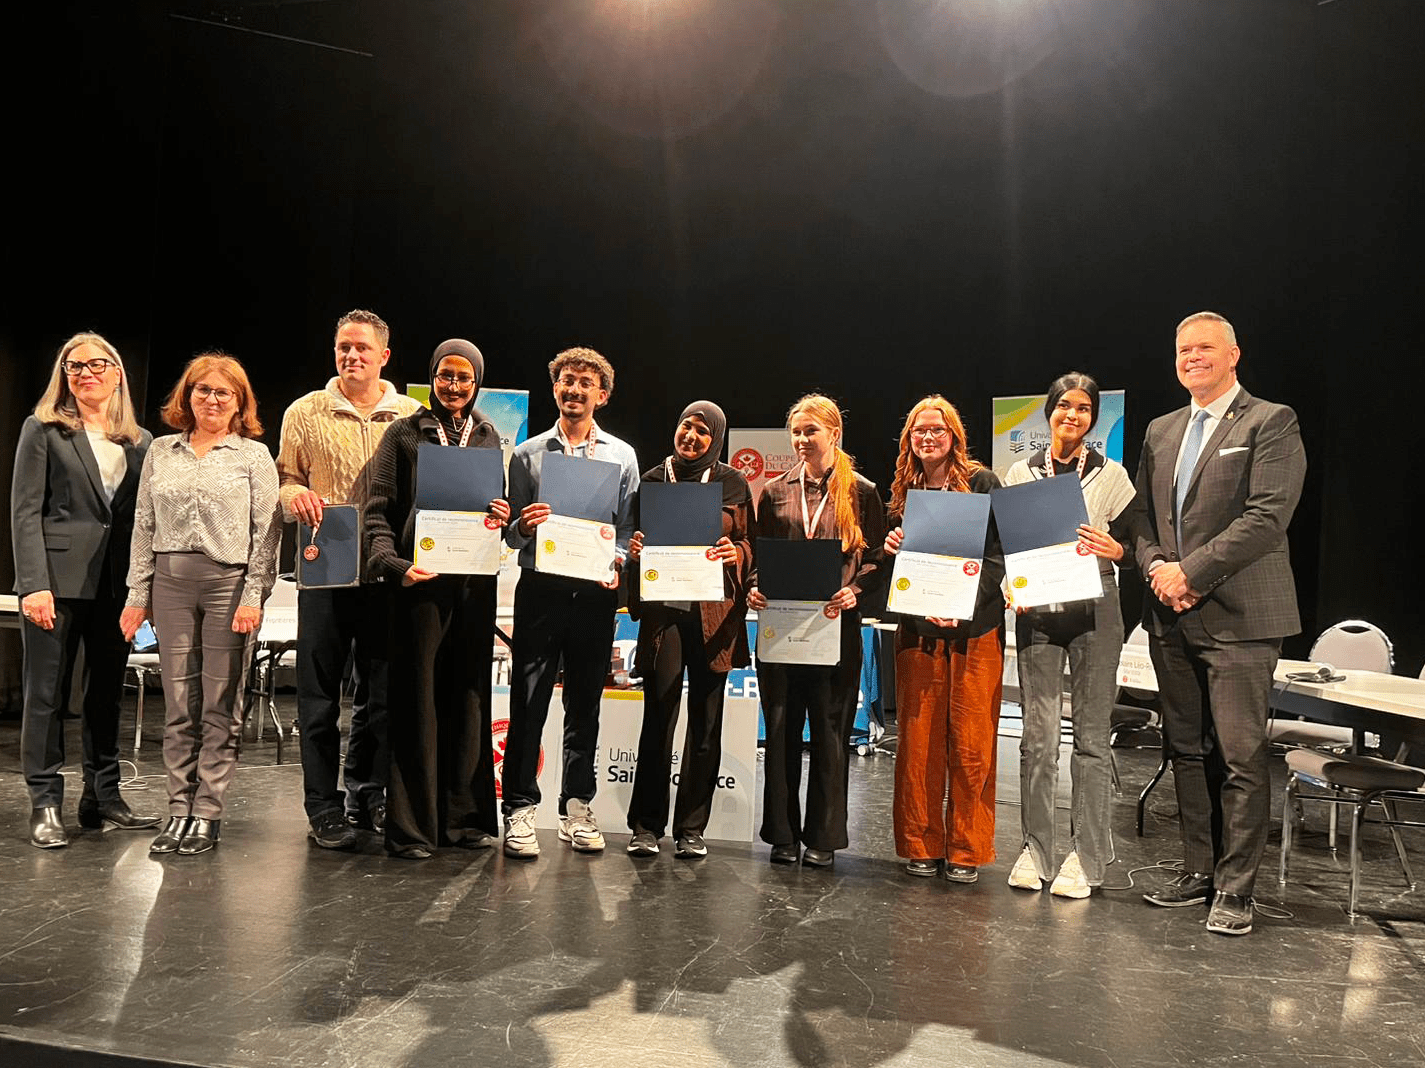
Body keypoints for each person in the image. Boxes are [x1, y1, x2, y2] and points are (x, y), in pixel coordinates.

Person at [1134, 311, 1306, 936]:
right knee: (1185, 749)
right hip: (1170, 618)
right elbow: (1142, 518)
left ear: (1234, 354)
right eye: (1183, 349)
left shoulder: (1270, 421)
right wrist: (1157, 567)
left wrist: (1191, 572)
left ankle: (1236, 890)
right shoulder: (1161, 429)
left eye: (1205, 347)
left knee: (1239, 757)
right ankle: (1198, 870)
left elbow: (1266, 519)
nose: (1192, 357)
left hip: (1240, 619)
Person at [120, 353, 281, 856]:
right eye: (203, 390)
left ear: (240, 402)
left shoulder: (253, 456)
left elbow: (268, 533)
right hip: (169, 584)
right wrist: (137, 594)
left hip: (228, 587)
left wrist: (254, 595)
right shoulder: (162, 452)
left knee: (219, 702)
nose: (212, 399)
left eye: (223, 392)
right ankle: (177, 809)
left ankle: (207, 810)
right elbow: (143, 524)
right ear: (187, 396)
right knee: (178, 704)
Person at [276, 309, 423, 850]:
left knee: (381, 698)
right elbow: (284, 479)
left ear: (384, 355)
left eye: (362, 348)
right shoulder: (305, 412)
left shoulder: (411, 415)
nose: (351, 356)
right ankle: (322, 805)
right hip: (326, 567)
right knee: (317, 699)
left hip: (387, 573)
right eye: (342, 347)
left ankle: (369, 791)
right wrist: (296, 497)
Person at [11, 332, 160, 848]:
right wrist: (33, 584)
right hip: (55, 584)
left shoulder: (140, 441)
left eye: (98, 364)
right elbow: (25, 511)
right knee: (46, 696)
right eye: (75, 367)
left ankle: (102, 796)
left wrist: (144, 588)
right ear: (64, 376)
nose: (87, 373)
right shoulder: (44, 429)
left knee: (104, 696)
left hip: (116, 587)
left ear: (117, 373)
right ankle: (45, 801)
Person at [363, 339, 509, 860]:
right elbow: (377, 512)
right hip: (419, 584)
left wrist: (501, 515)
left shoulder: (489, 436)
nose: (454, 386)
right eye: (446, 375)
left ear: (476, 384)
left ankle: (463, 818)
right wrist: (396, 567)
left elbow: (499, 515)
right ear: (432, 377)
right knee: (416, 702)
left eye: (464, 378)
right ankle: (411, 828)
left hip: (473, 585)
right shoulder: (403, 433)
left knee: (469, 695)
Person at [1002, 374, 1140, 898]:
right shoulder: (1022, 471)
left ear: (1093, 417)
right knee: (1037, 739)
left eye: (1084, 409)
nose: (1073, 416)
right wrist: (1010, 586)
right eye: (1065, 406)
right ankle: (1035, 849)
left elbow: (1133, 543)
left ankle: (1087, 858)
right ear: (1049, 412)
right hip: (1038, 609)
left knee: (1089, 739)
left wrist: (1116, 550)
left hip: (1096, 608)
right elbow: (1010, 545)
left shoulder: (1113, 475)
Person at [501, 347, 639, 858]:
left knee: (585, 708)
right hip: (540, 592)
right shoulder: (527, 454)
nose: (574, 390)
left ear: (601, 394)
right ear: (555, 388)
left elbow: (624, 530)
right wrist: (523, 525)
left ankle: (577, 807)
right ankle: (518, 808)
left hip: (593, 598)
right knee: (527, 706)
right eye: (566, 381)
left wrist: (616, 561)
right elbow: (511, 536)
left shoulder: (622, 456)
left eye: (585, 382)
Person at [747, 394, 885, 867]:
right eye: (797, 432)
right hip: (782, 632)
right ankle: (782, 835)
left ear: (834, 434)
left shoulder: (862, 492)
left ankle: (823, 838)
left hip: (835, 631)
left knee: (829, 735)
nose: (802, 440)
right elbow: (758, 558)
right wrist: (755, 586)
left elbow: (877, 560)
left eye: (812, 431)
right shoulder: (773, 491)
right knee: (781, 731)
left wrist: (857, 591)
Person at [882, 396, 1004, 883]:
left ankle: (966, 850)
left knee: (972, 745)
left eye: (936, 430)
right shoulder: (905, 489)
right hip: (918, 631)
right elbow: (904, 567)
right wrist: (892, 547)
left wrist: (962, 606)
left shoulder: (982, 483)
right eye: (918, 432)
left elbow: (998, 558)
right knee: (918, 743)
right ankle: (921, 843)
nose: (927, 438)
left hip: (974, 631)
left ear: (954, 434)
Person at [624, 400, 753, 859]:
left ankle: (692, 828)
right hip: (666, 616)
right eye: (685, 426)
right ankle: (645, 826)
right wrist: (635, 552)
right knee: (658, 719)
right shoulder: (655, 479)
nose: (691, 436)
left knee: (706, 725)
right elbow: (634, 539)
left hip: (713, 617)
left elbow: (746, 544)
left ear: (715, 437)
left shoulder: (732, 482)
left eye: (702, 430)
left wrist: (735, 554)